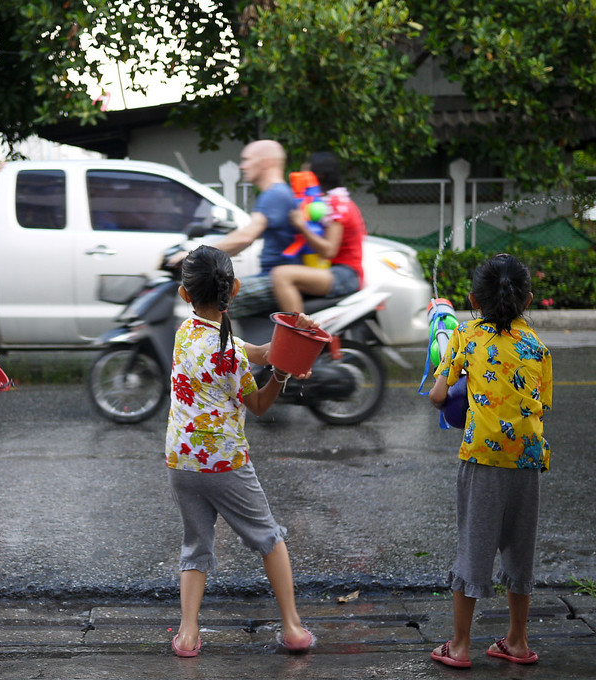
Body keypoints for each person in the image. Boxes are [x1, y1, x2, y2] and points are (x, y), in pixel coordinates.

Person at [166, 244, 314, 658]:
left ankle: (189, 634)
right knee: (269, 537)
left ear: (185, 295)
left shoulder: (184, 333)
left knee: (195, 545)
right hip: (224, 462)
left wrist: (273, 350)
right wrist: (280, 373)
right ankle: (293, 627)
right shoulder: (229, 353)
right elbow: (261, 404)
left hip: (181, 460)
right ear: (235, 288)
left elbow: (242, 349)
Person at [427, 253, 552, 669]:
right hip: (527, 462)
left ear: (473, 299)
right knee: (519, 551)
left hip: (481, 459)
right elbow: (542, 406)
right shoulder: (539, 346)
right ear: (528, 301)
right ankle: (517, 641)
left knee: (473, 549)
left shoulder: (466, 335)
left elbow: (438, 396)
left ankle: (460, 645)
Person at [172, 140, 295, 318]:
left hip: (274, 280)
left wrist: (195, 257)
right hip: (271, 277)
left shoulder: (275, 195)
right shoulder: (275, 193)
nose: (242, 166)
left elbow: (245, 237)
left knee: (212, 301)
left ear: (265, 162)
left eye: (247, 159)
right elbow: (241, 238)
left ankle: (227, 346)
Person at [270, 152, 365, 314]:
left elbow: (329, 250)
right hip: (333, 270)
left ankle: (298, 334)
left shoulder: (336, 204)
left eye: (305, 170)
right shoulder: (322, 202)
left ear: (318, 175)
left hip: (344, 274)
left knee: (281, 275)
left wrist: (302, 226)